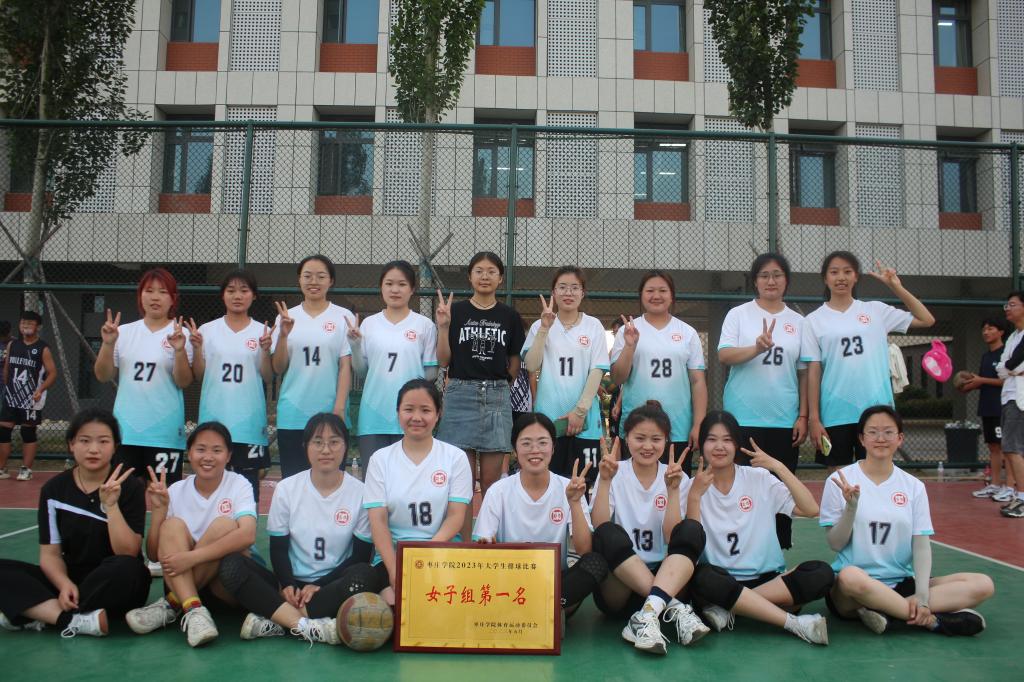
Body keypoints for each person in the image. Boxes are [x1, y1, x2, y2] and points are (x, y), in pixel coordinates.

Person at [823, 405, 994, 635]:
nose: (880, 438)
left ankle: (890, 613)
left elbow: (921, 546)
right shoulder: (840, 480)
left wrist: (922, 595)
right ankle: (932, 621)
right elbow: (835, 544)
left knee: (983, 584)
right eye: (872, 432)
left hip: (900, 583)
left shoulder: (914, 486)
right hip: (852, 591)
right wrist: (851, 508)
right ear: (862, 439)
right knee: (850, 577)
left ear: (900, 438)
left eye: (888, 432)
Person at [218, 413, 383, 645]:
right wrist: (288, 584)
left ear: (346, 446)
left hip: (333, 585)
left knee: (366, 574)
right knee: (231, 564)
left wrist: (319, 586)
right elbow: (278, 549)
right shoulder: (287, 488)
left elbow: (360, 556)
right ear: (306, 447)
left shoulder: (361, 492)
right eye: (318, 442)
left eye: (334, 442)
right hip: (290, 585)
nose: (326, 450)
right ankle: (305, 624)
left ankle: (279, 619)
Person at [682, 411, 833, 646]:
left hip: (768, 582)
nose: (719, 446)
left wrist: (779, 467)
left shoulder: (759, 478)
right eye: (711, 439)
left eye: (727, 439)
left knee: (821, 574)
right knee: (702, 578)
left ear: (737, 444)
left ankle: (732, 609)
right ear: (701, 444)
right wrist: (694, 497)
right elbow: (692, 543)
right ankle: (794, 623)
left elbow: (810, 509)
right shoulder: (692, 486)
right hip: (720, 582)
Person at [0, 409, 150, 637]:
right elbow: (50, 555)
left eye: (103, 441)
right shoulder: (54, 489)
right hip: (70, 578)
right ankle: (70, 619)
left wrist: (111, 505)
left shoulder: (130, 487)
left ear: (115, 447)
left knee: (128, 568)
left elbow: (128, 552)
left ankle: (39, 612)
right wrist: (63, 584)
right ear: (71, 444)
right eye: (84, 440)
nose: (93, 449)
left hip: (114, 581)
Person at [589, 402, 710, 654]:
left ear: (666, 441)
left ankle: (646, 615)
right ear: (627, 438)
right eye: (640, 438)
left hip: (665, 578)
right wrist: (605, 481)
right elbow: (599, 527)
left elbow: (672, 537)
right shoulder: (613, 471)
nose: (647, 446)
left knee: (691, 529)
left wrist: (673, 491)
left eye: (656, 439)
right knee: (607, 533)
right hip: (621, 584)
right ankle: (673, 609)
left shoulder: (675, 476)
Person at [125, 422, 257, 647]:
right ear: (189, 453)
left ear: (228, 456)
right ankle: (195, 610)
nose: (208, 457)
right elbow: (154, 555)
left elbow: (247, 535)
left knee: (224, 526)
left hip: (222, 584)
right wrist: (158, 512)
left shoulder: (238, 484)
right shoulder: (176, 491)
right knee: (171, 526)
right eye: (201, 449)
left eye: (217, 450)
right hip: (181, 576)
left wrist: (192, 558)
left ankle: (173, 604)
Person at [803, 252, 934, 474]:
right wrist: (814, 418)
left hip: (877, 411)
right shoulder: (812, 321)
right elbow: (813, 373)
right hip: (836, 413)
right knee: (840, 478)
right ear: (825, 278)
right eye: (834, 272)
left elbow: (927, 319)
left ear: (856, 277)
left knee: (877, 476)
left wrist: (895, 286)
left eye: (847, 271)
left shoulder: (876, 310)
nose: (841, 277)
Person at [473, 413, 609, 619]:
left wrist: (574, 502)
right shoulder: (498, 491)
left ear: (553, 448)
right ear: (514, 449)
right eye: (526, 443)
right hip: (509, 585)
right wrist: (486, 545)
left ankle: (541, 613)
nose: (535, 450)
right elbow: (481, 548)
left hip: (555, 586)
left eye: (543, 442)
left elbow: (584, 550)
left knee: (595, 563)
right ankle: (543, 615)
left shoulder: (569, 488)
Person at [719, 253, 807, 549]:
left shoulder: (799, 322)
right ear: (755, 281)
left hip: (783, 419)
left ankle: (776, 555)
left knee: (780, 492)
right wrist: (756, 348)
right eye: (764, 275)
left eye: (777, 275)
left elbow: (804, 373)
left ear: (786, 281)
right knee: (741, 490)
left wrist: (803, 415)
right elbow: (724, 355)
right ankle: (737, 550)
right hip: (743, 418)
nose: (771, 281)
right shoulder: (739, 314)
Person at [435, 251, 525, 538]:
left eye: (491, 271)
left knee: (491, 482)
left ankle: (488, 544)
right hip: (460, 394)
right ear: (470, 276)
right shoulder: (456, 311)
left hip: (496, 395)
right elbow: (443, 360)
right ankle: (462, 546)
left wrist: (503, 383)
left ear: (500, 278)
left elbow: (515, 360)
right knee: (461, 484)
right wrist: (444, 327)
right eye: (479, 271)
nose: (485, 276)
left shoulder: (509, 316)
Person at [364, 379, 473, 605]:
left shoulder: (455, 458)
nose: (416, 417)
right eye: (409, 409)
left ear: (438, 414)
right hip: (393, 558)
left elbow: (456, 516)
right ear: (398, 412)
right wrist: (394, 570)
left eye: (425, 410)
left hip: (442, 554)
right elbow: (378, 522)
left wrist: (424, 556)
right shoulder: (380, 460)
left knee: (440, 604)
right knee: (394, 605)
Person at [94, 268, 193, 485]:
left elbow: (184, 381)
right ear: (140, 296)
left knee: (164, 496)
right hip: (126, 430)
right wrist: (108, 344)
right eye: (149, 291)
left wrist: (179, 350)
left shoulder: (181, 334)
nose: (155, 297)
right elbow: (103, 375)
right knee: (122, 494)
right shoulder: (123, 332)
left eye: (163, 292)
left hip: (165, 432)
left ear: (173, 299)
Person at [186, 270, 273, 502]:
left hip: (249, 423)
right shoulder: (207, 330)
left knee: (249, 490)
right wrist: (197, 349)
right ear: (223, 295)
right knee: (212, 487)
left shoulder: (262, 332)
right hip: (214, 420)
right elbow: (199, 375)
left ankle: (247, 527)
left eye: (244, 291)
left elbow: (267, 376)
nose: (237, 296)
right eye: (231, 290)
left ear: (254, 296)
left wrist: (265, 351)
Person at [611, 271, 706, 472]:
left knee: (675, 484)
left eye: (663, 290)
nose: (656, 296)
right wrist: (629, 347)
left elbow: (698, 382)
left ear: (672, 296)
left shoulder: (687, 332)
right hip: (637, 427)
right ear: (641, 295)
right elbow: (618, 378)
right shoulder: (628, 330)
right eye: (650, 291)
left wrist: (698, 424)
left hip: (678, 427)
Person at [523, 266, 609, 482]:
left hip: (585, 422)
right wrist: (544, 328)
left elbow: (597, 370)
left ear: (583, 292)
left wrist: (579, 412)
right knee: (550, 485)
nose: (568, 293)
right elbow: (531, 365)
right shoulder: (539, 325)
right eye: (562, 287)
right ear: (553, 292)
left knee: (585, 485)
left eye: (574, 288)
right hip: (550, 421)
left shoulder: (593, 326)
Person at [349, 260, 438, 468]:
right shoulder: (369, 324)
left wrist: (412, 394)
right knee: (374, 479)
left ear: (412, 289)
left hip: (411, 417)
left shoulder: (424, 325)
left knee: (410, 479)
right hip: (373, 415)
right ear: (381, 287)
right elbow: (361, 372)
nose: (395, 290)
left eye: (402, 284)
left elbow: (432, 373)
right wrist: (355, 346)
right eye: (389, 284)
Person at [272, 255, 354, 478]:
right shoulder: (286, 317)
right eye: (307, 276)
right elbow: (278, 367)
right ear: (299, 280)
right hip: (293, 413)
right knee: (293, 482)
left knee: (330, 482)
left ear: (331, 281)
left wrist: (339, 409)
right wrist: (282, 336)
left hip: (330, 412)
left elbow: (345, 366)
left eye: (320, 276)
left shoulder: (343, 316)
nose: (313, 282)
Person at [0, 310, 57, 481]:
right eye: (23, 322)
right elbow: (7, 369)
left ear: (38, 327)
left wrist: (41, 389)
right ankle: (2, 468)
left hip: (31, 398)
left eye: (30, 323)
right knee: (3, 431)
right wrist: (7, 387)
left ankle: (26, 469)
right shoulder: (12, 345)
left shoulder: (43, 348)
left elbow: (52, 373)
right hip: (11, 396)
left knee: (28, 432)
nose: (25, 325)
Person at [962, 318, 1015, 501]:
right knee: (993, 447)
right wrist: (968, 385)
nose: (985, 332)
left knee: (1007, 449)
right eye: (984, 329)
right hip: (987, 406)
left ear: (1001, 332)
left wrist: (981, 380)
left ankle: (1010, 486)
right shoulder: (986, 356)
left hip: (1002, 407)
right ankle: (995, 484)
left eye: (990, 328)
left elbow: (1008, 380)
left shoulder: (1006, 354)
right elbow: (982, 381)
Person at [994, 292, 1024, 517]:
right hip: (1009, 395)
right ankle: (1018, 494)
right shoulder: (1014, 336)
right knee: (1011, 449)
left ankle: (1022, 498)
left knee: (1012, 448)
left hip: (1019, 398)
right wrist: (1011, 368)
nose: (1007, 308)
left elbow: (1012, 364)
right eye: (1007, 305)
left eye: (1012, 304)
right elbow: (1003, 368)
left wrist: (1011, 368)